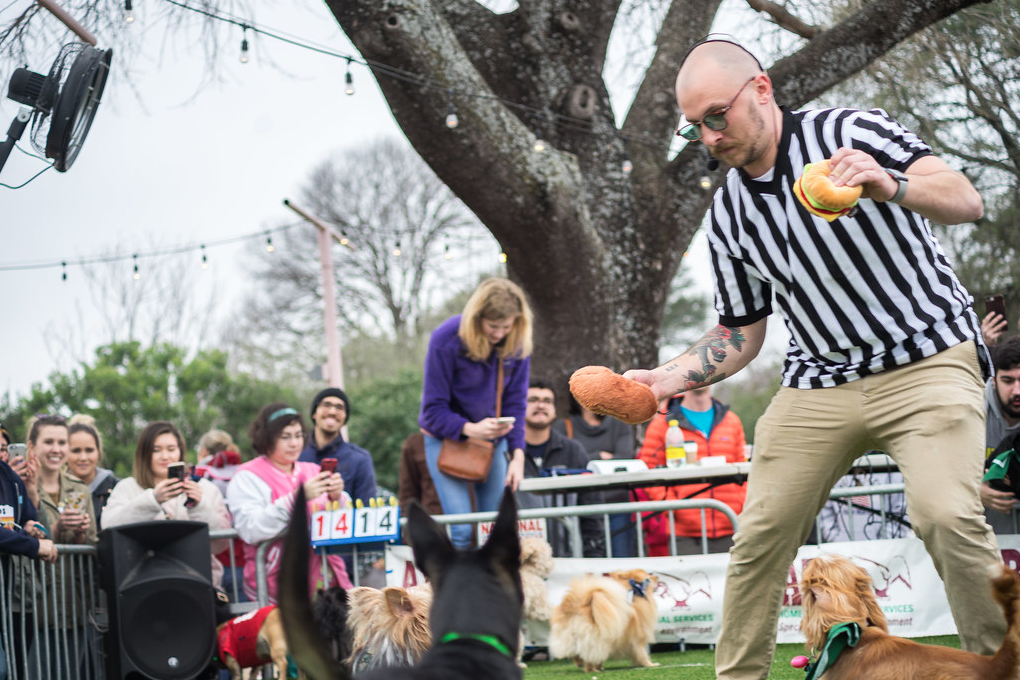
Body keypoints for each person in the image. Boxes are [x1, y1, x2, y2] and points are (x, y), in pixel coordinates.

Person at [623, 36, 1002, 679]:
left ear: (762, 89)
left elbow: (965, 199)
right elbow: (740, 332)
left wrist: (890, 183)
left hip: (928, 360)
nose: (710, 137)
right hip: (819, 382)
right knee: (758, 537)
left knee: (946, 514)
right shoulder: (729, 214)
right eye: (695, 129)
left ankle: (1005, 667)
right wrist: (664, 379)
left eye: (718, 116)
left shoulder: (849, 132)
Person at [418, 277, 531, 549]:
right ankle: (459, 590)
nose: (499, 334)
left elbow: (515, 404)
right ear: (477, 317)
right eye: (493, 326)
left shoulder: (516, 344)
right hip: (447, 439)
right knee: (461, 529)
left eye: (506, 326)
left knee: (492, 528)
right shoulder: (446, 339)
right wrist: (470, 429)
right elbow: (431, 411)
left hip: (493, 441)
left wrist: (517, 455)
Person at [226, 403, 353, 603]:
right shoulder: (247, 476)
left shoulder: (312, 470)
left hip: (327, 585)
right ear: (266, 438)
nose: (294, 443)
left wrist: (338, 497)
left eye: (298, 435)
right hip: (274, 590)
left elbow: (341, 521)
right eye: (285, 437)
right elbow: (250, 528)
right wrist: (298, 499)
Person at [102, 421, 232, 587]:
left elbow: (221, 543)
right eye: (156, 450)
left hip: (198, 584)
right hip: (141, 586)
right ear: (144, 454)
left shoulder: (205, 488)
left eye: (171, 449)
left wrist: (198, 506)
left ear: (180, 451)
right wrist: (152, 500)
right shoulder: (127, 487)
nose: (165, 456)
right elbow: (108, 526)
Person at [636, 386, 747, 555]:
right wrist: (675, 507)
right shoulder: (661, 424)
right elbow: (648, 471)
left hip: (732, 527)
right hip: (685, 534)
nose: (701, 378)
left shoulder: (732, 421)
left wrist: (740, 503)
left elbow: (743, 468)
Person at [28, 414, 98, 679]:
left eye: (62, 442)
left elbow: (91, 545)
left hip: (74, 604)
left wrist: (80, 534)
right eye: (49, 442)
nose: (56, 449)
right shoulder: (21, 485)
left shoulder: (80, 488)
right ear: (32, 446)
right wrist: (56, 530)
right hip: (36, 605)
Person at [516, 380, 605, 557]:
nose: (541, 405)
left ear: (555, 409)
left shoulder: (573, 450)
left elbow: (591, 507)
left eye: (547, 401)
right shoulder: (507, 453)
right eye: (532, 400)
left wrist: (594, 555)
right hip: (519, 560)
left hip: (567, 557)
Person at [554, 391, 636, 556]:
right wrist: (600, 457)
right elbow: (566, 463)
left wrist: (587, 461)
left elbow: (625, 459)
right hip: (580, 509)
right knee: (587, 564)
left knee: (622, 565)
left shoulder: (620, 424)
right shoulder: (564, 426)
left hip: (617, 504)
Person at [298, 387, 377, 505]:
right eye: (326, 405)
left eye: (339, 407)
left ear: (345, 418)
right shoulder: (295, 454)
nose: (332, 412)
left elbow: (366, 509)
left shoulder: (360, 459)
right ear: (314, 413)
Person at [981, 336, 1020, 532]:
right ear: (993, 381)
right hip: (984, 536)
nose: (1017, 390)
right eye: (1008, 381)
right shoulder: (973, 409)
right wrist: (973, 492)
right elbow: (939, 467)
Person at [66, 415, 119, 523]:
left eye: (89, 450)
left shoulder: (117, 488)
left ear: (98, 452)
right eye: (76, 451)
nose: (83, 458)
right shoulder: (54, 488)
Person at [397, 432, 444, 516]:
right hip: (432, 520)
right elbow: (407, 493)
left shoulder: (472, 438)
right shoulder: (415, 443)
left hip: (470, 521)